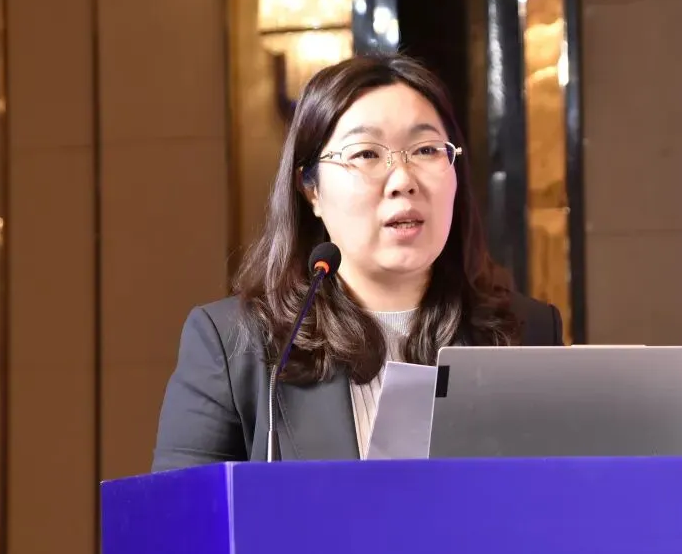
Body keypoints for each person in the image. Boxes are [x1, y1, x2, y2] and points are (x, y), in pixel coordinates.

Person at [152, 53, 563, 470]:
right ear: (311, 189)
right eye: (366, 154)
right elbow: (182, 511)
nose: (402, 180)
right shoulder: (235, 346)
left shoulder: (526, 332)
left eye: (425, 150)